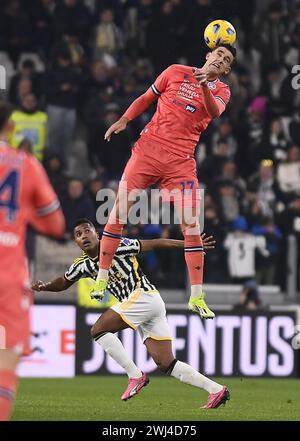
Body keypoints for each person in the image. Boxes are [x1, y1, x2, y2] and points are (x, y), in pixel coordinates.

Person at [94, 44, 236, 319]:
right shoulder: (174, 72)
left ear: (227, 69)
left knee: (191, 224)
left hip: (180, 162)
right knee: (120, 211)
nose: (221, 59)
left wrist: (205, 84)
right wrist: (125, 119)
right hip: (148, 150)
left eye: (226, 60)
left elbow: (214, 112)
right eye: (218, 54)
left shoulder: (222, 91)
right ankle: (101, 278)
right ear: (207, 54)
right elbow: (146, 97)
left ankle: (196, 296)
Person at [32, 218, 230, 409]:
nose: (83, 236)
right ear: (75, 242)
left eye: (86, 231)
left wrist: (189, 244)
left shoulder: (116, 245)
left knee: (98, 330)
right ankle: (216, 389)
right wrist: (44, 286)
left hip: (143, 296)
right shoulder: (83, 264)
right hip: (147, 305)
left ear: (96, 233)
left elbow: (155, 243)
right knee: (166, 363)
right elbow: (64, 282)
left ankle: (135, 375)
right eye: (78, 234)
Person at [0, 101, 65, 421]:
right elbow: (55, 225)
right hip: (9, 277)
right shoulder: (25, 164)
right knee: (4, 369)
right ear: (10, 127)